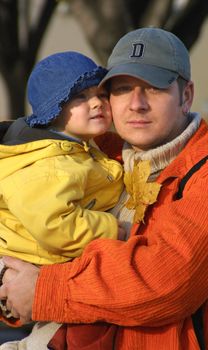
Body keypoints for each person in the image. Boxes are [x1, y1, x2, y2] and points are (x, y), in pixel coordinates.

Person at [0, 27, 208, 350]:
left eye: (152, 88)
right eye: (122, 89)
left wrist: (43, 292)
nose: (136, 104)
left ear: (187, 96)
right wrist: (12, 285)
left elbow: (164, 282)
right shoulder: (89, 155)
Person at [0, 51, 125, 348]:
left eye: (100, 94)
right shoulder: (48, 165)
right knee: (81, 332)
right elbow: (56, 225)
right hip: (38, 263)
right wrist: (115, 230)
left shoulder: (72, 148)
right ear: (53, 109)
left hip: (47, 264)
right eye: (80, 97)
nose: (96, 103)